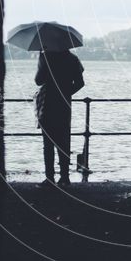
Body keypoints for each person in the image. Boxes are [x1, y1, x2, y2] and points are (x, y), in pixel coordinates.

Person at [34, 49, 84, 187]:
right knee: (63, 141)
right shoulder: (73, 59)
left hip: (48, 103)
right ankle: (65, 177)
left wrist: (40, 61)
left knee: (48, 144)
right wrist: (66, 93)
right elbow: (80, 83)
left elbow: (38, 81)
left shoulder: (46, 58)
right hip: (64, 105)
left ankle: (50, 177)